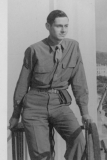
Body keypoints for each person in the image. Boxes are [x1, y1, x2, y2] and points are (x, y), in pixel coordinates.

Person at [8, 10, 91, 160]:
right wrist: (15, 115)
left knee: (79, 141)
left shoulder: (73, 47)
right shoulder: (34, 50)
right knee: (41, 155)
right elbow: (22, 84)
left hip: (59, 105)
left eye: (66, 25)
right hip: (34, 107)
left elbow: (79, 82)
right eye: (59, 26)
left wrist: (84, 112)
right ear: (48, 26)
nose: (63, 30)